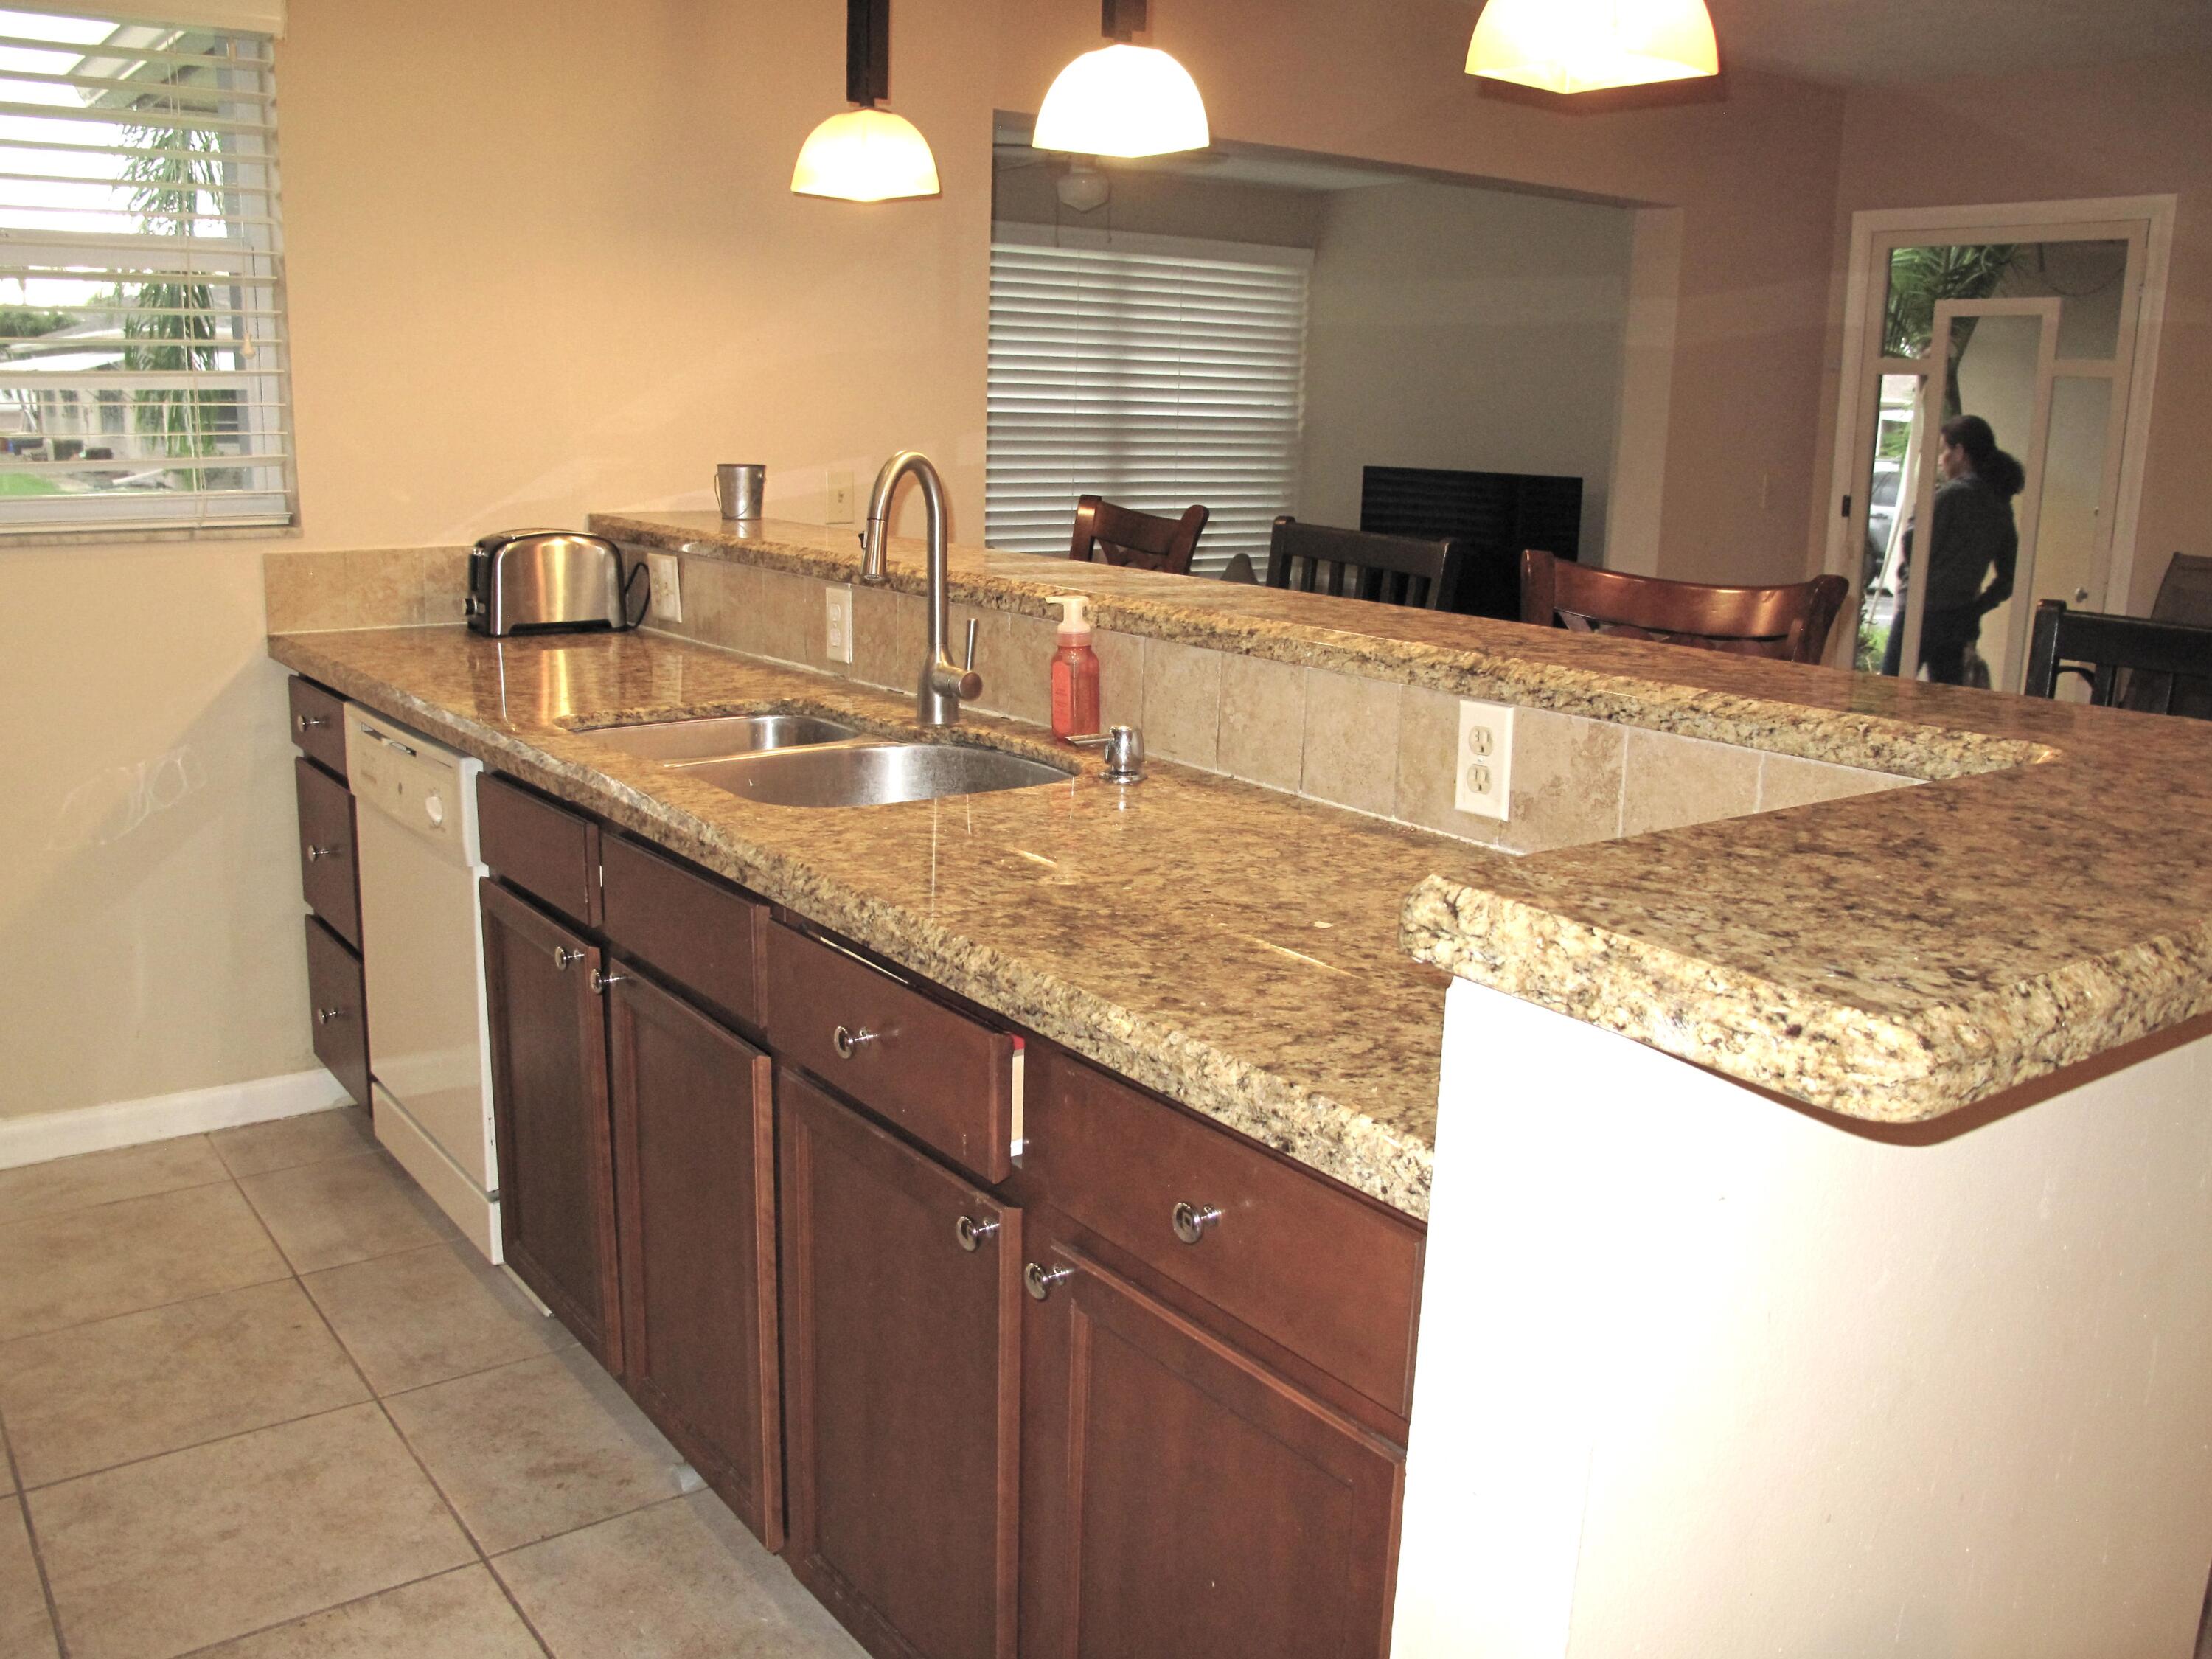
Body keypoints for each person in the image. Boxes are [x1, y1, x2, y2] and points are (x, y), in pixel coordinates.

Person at [1882, 414, 2025, 684]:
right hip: (1960, 618)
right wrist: (1978, 607)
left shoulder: (1950, 496)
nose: (1940, 459)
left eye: (1943, 450)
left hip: (1920, 612)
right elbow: (2010, 573)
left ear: (1960, 452)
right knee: (1947, 704)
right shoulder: (1999, 504)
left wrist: (1921, 509)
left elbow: (1914, 545)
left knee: (1889, 691)